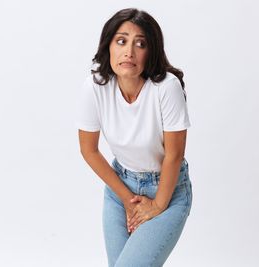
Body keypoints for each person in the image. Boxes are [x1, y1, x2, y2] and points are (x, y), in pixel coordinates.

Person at [76, 8, 193, 267]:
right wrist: (128, 201)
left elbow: (175, 155)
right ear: (108, 46)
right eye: (121, 41)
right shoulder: (95, 88)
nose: (129, 51)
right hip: (121, 186)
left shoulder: (167, 87)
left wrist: (158, 205)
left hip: (168, 190)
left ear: (150, 52)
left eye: (140, 43)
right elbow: (89, 150)